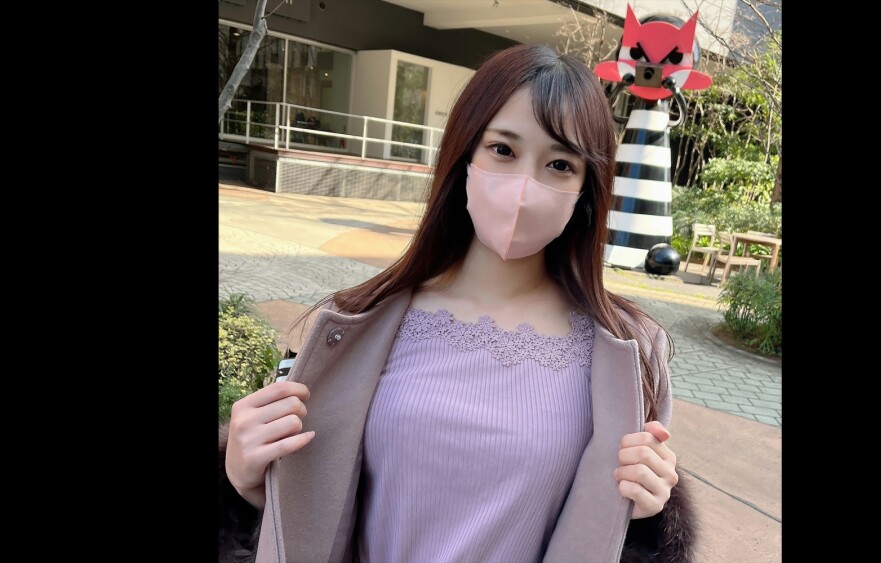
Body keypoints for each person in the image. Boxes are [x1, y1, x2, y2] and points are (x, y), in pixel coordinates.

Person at [219, 43, 697, 563]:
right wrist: (243, 482)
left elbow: (613, 533)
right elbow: (304, 513)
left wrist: (646, 523)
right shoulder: (358, 321)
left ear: (586, 187)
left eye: (560, 163)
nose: (525, 186)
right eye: (503, 150)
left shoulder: (627, 350)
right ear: (464, 153)